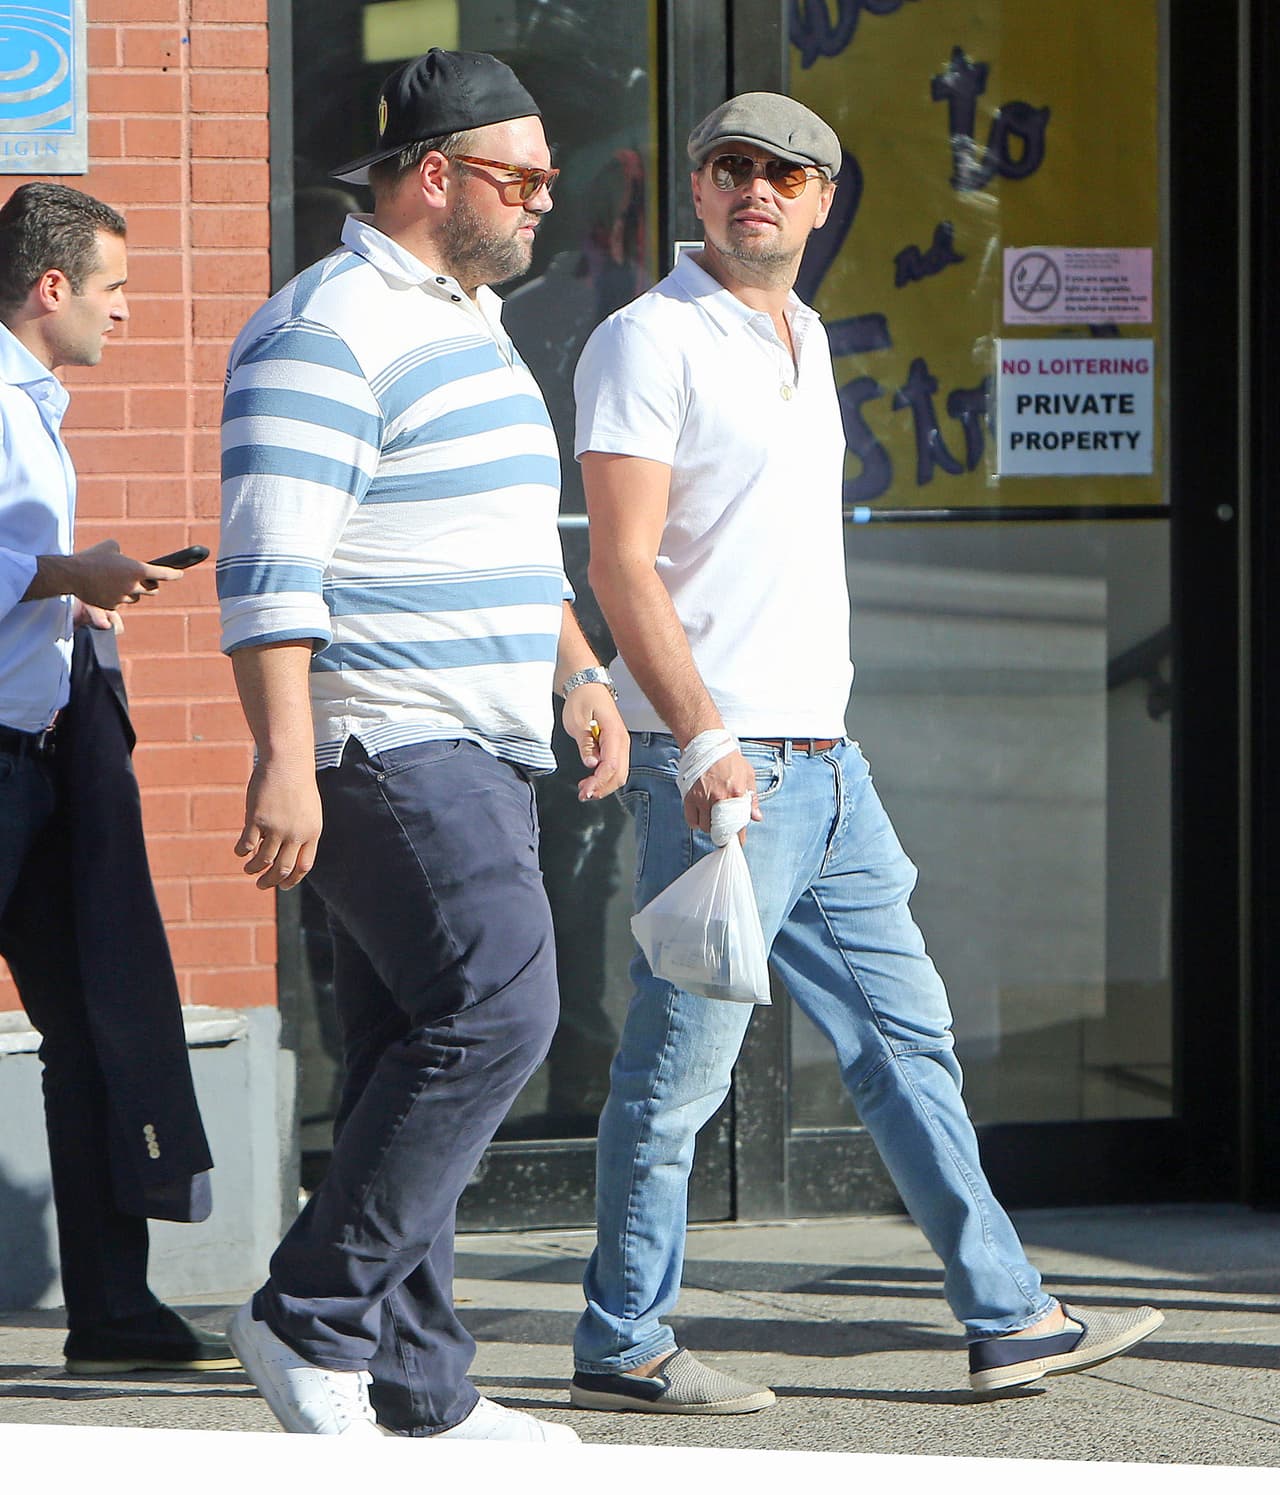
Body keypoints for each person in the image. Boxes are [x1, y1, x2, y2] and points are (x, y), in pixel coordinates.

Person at [568, 93, 1163, 1414]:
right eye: (732, 168)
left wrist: (804, 735)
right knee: (678, 1074)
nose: (758, 190)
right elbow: (620, 561)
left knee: (911, 1042)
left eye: (788, 173)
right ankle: (623, 1340)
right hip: (720, 769)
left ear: (825, 201)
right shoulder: (645, 339)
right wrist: (708, 736)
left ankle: (1010, 1313)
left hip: (831, 769)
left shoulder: (808, 332)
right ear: (698, 189)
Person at [218, 48, 627, 1442]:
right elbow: (271, 565)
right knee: (503, 1011)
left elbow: (504, 538)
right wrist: (283, 754)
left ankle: (420, 1390)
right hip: (388, 738)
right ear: (435, 174)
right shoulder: (323, 325)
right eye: (523, 179)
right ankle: (308, 1311)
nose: (544, 206)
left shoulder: (468, 318)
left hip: (479, 733)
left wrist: (578, 669)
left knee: (412, 1042)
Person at [0, 182, 233, 1375]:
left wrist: (82, 607)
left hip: (42, 749)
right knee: (83, 1026)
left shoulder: (35, 405)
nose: (127, 314)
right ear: (52, 290)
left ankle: (113, 1312)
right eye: (113, 289)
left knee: (91, 1026)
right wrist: (67, 576)